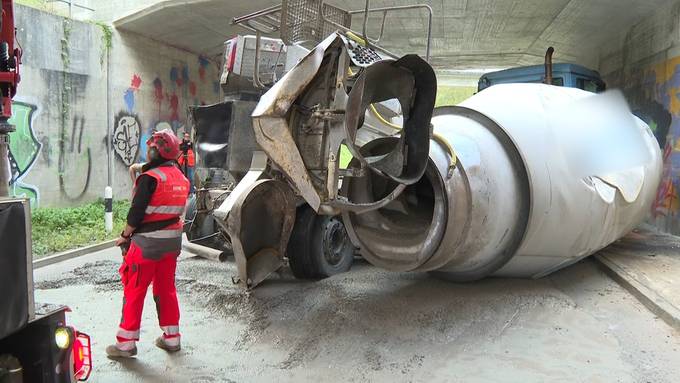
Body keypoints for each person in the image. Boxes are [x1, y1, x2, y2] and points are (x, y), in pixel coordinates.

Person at [106, 129, 190, 359]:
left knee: (135, 290)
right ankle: (172, 338)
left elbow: (136, 214)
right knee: (166, 289)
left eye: (150, 148)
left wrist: (124, 235)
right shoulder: (181, 178)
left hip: (147, 245)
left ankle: (125, 345)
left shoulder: (149, 179)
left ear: (154, 151)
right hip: (172, 243)